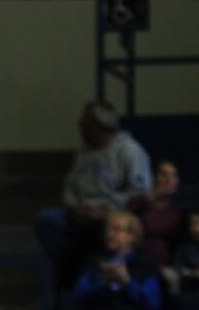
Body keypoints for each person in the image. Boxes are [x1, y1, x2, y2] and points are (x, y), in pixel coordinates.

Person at [34, 102, 153, 286]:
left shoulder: (128, 150)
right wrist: (75, 207)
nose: (80, 126)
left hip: (110, 214)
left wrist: (107, 209)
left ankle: (95, 273)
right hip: (80, 213)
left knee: (107, 228)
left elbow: (141, 191)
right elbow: (70, 186)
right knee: (46, 220)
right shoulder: (83, 151)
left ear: (99, 125)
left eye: (85, 122)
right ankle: (72, 269)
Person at [66, 209, 164, 310]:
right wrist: (101, 283)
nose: (111, 234)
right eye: (109, 229)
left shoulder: (145, 265)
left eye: (117, 229)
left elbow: (153, 303)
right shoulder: (95, 264)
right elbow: (78, 296)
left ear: (132, 236)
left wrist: (127, 282)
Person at [128, 159, 183, 268]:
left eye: (174, 176)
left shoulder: (177, 211)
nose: (169, 180)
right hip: (137, 261)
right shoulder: (138, 203)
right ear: (153, 177)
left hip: (165, 265)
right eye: (164, 175)